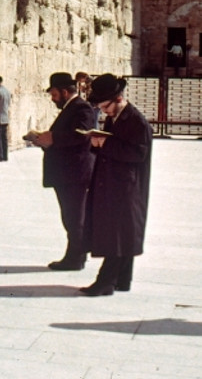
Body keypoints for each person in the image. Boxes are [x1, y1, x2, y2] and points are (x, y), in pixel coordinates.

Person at [79, 73, 153, 296]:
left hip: (127, 188)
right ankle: (123, 279)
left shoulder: (136, 121)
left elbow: (138, 153)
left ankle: (105, 282)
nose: (102, 110)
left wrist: (104, 142)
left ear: (118, 98)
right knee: (123, 232)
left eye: (104, 105)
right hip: (115, 183)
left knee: (118, 234)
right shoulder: (116, 117)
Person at [26, 71, 95, 271]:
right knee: (70, 215)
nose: (52, 98)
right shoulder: (71, 107)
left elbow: (82, 136)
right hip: (68, 172)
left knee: (74, 216)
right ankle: (76, 255)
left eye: (54, 94)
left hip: (74, 173)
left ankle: (75, 257)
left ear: (65, 92)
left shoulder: (82, 108)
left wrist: (53, 138)